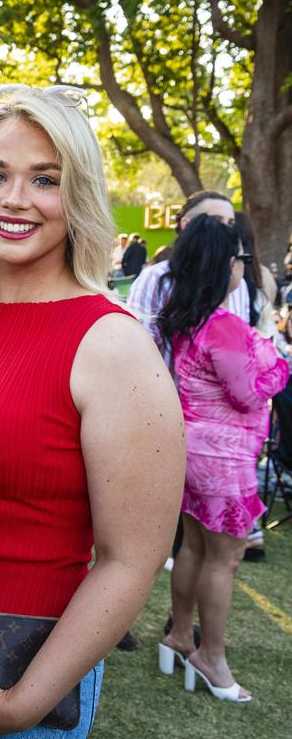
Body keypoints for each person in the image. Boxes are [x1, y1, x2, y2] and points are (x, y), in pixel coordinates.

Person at [0, 85, 184, 738]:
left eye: (44, 180)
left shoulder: (112, 345)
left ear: (77, 198)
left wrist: (21, 705)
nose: (15, 199)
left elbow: (131, 559)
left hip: (22, 676)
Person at [157, 214, 287, 703]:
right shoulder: (225, 326)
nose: (244, 267)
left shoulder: (183, 317)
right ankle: (210, 656)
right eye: (241, 259)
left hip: (190, 448)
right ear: (225, 264)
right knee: (225, 557)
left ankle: (179, 636)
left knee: (192, 546)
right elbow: (250, 394)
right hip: (223, 457)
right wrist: (276, 360)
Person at [127, 191, 248, 358]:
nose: (226, 230)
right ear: (187, 224)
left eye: (231, 223)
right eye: (217, 220)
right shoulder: (154, 279)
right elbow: (137, 352)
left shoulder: (238, 283)